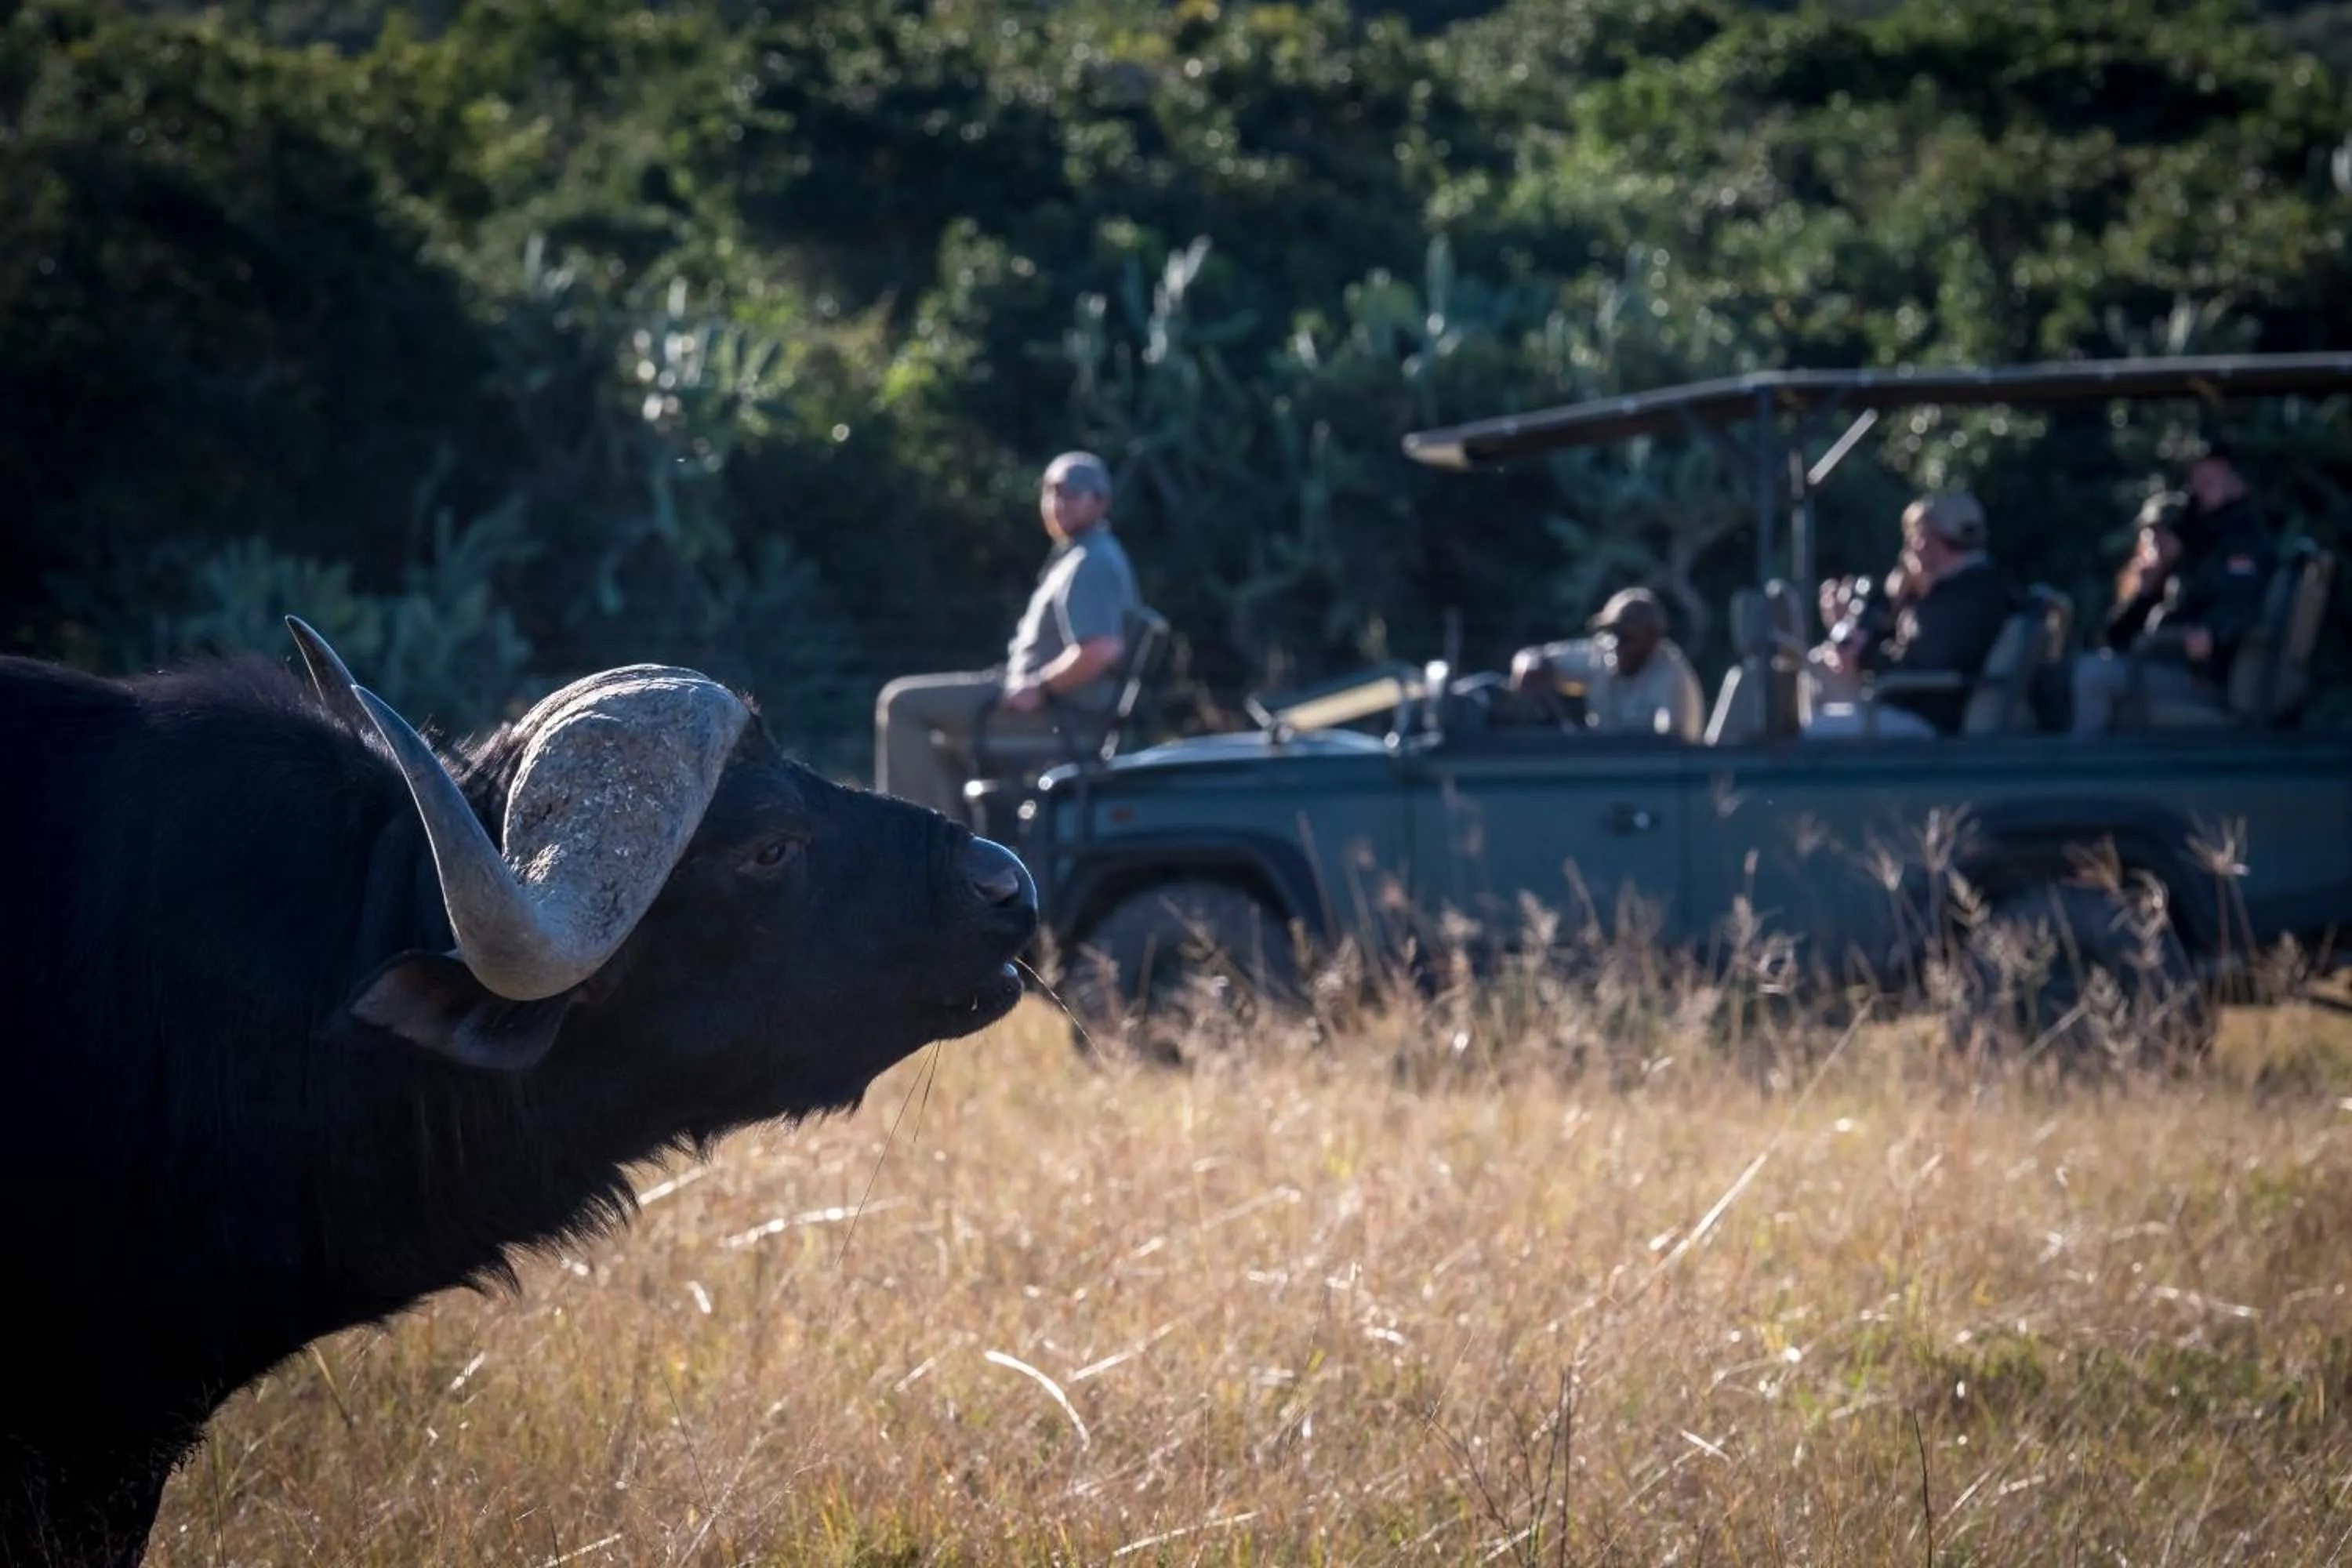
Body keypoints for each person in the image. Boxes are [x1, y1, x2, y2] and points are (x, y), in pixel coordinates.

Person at [874, 451, 1140, 822]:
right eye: (1052, 493)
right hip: (1047, 707)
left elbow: (1101, 649)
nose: (1058, 504)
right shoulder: (1082, 556)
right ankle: (951, 839)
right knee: (934, 739)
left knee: (901, 703)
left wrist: (1041, 687)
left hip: (1059, 716)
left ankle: (914, 840)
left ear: (1101, 503)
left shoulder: (1092, 562)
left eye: (1072, 495)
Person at [2066, 438, 2275, 736]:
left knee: (2092, 675)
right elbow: (2117, 637)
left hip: (2201, 676)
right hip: (2161, 662)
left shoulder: (2241, 543)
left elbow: (2237, 606)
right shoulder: (2198, 539)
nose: (2200, 486)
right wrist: (2149, 587)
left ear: (2237, 482)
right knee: (2083, 669)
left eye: (2210, 478)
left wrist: (2213, 634)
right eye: (2196, 477)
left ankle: (2079, 775)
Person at [1801, 490, 2017, 739]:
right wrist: (1892, 607)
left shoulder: (1963, 600)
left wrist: (1867, 658)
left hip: (1930, 722)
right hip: (1918, 706)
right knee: (1820, 665)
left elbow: (1924, 676)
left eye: (1915, 536)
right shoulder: (1969, 588)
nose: (1910, 546)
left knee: (1818, 732)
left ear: (1929, 539)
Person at [1508, 586, 1707, 740]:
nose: (1615, 644)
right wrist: (1532, 670)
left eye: (1626, 636)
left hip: (1653, 784)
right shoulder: (1602, 654)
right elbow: (1533, 656)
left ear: (1652, 639)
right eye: (1610, 633)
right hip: (1603, 773)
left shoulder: (1670, 676)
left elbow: (1671, 743)